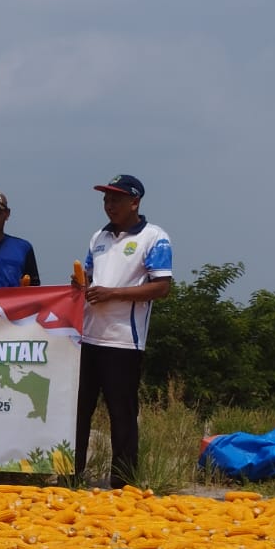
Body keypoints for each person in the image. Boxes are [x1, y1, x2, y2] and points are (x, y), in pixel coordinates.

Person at [74, 174, 173, 489]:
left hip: (123, 340)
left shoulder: (155, 238)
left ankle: (123, 481)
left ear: (135, 202)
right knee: (77, 410)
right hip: (88, 336)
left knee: (122, 413)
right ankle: (71, 473)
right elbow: (88, 278)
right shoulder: (98, 238)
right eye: (106, 199)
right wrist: (80, 286)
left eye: (116, 199)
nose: (109, 205)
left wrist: (112, 294)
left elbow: (161, 287)